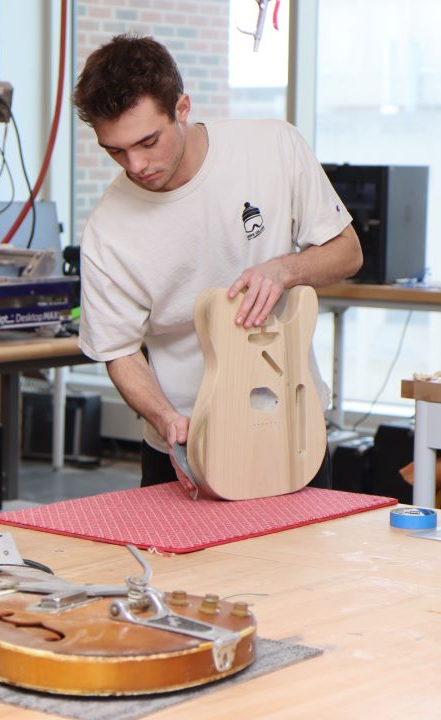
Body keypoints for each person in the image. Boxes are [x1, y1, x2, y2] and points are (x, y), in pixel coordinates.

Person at [72, 34, 363, 490]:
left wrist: (284, 270)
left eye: (148, 141)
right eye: (115, 151)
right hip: (186, 443)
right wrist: (166, 418)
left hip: (293, 430)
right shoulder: (108, 230)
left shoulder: (273, 148)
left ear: (182, 108)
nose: (136, 164)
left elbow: (347, 252)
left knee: (301, 563)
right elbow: (118, 349)